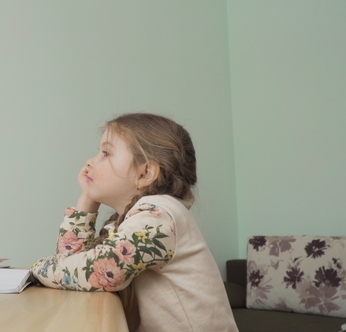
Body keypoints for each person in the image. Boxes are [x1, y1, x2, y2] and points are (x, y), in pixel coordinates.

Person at [31, 113, 238, 332]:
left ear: (146, 173)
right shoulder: (129, 221)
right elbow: (71, 271)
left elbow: (103, 270)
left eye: (106, 153)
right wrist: (87, 199)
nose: (90, 161)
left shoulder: (159, 214)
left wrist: (36, 269)